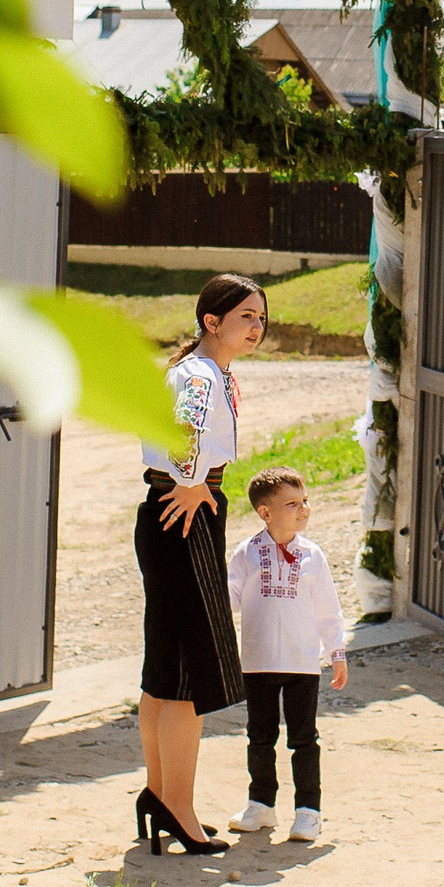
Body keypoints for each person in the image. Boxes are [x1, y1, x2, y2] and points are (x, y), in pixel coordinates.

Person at [132, 273, 262, 856]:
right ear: (212, 321)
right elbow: (182, 428)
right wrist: (190, 481)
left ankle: (162, 796)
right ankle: (178, 808)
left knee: (164, 668)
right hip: (185, 513)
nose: (256, 328)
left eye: (261, 318)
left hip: (170, 511)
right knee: (186, 672)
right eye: (245, 318)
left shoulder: (203, 370)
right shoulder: (202, 375)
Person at [226, 466, 350, 843]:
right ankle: (261, 805)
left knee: (303, 739)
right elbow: (226, 599)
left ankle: (308, 812)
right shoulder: (247, 554)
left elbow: (328, 609)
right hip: (258, 662)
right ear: (265, 513)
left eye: (305, 501)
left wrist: (337, 652)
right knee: (259, 736)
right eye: (293, 504)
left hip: (301, 665)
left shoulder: (314, 556)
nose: (304, 510)